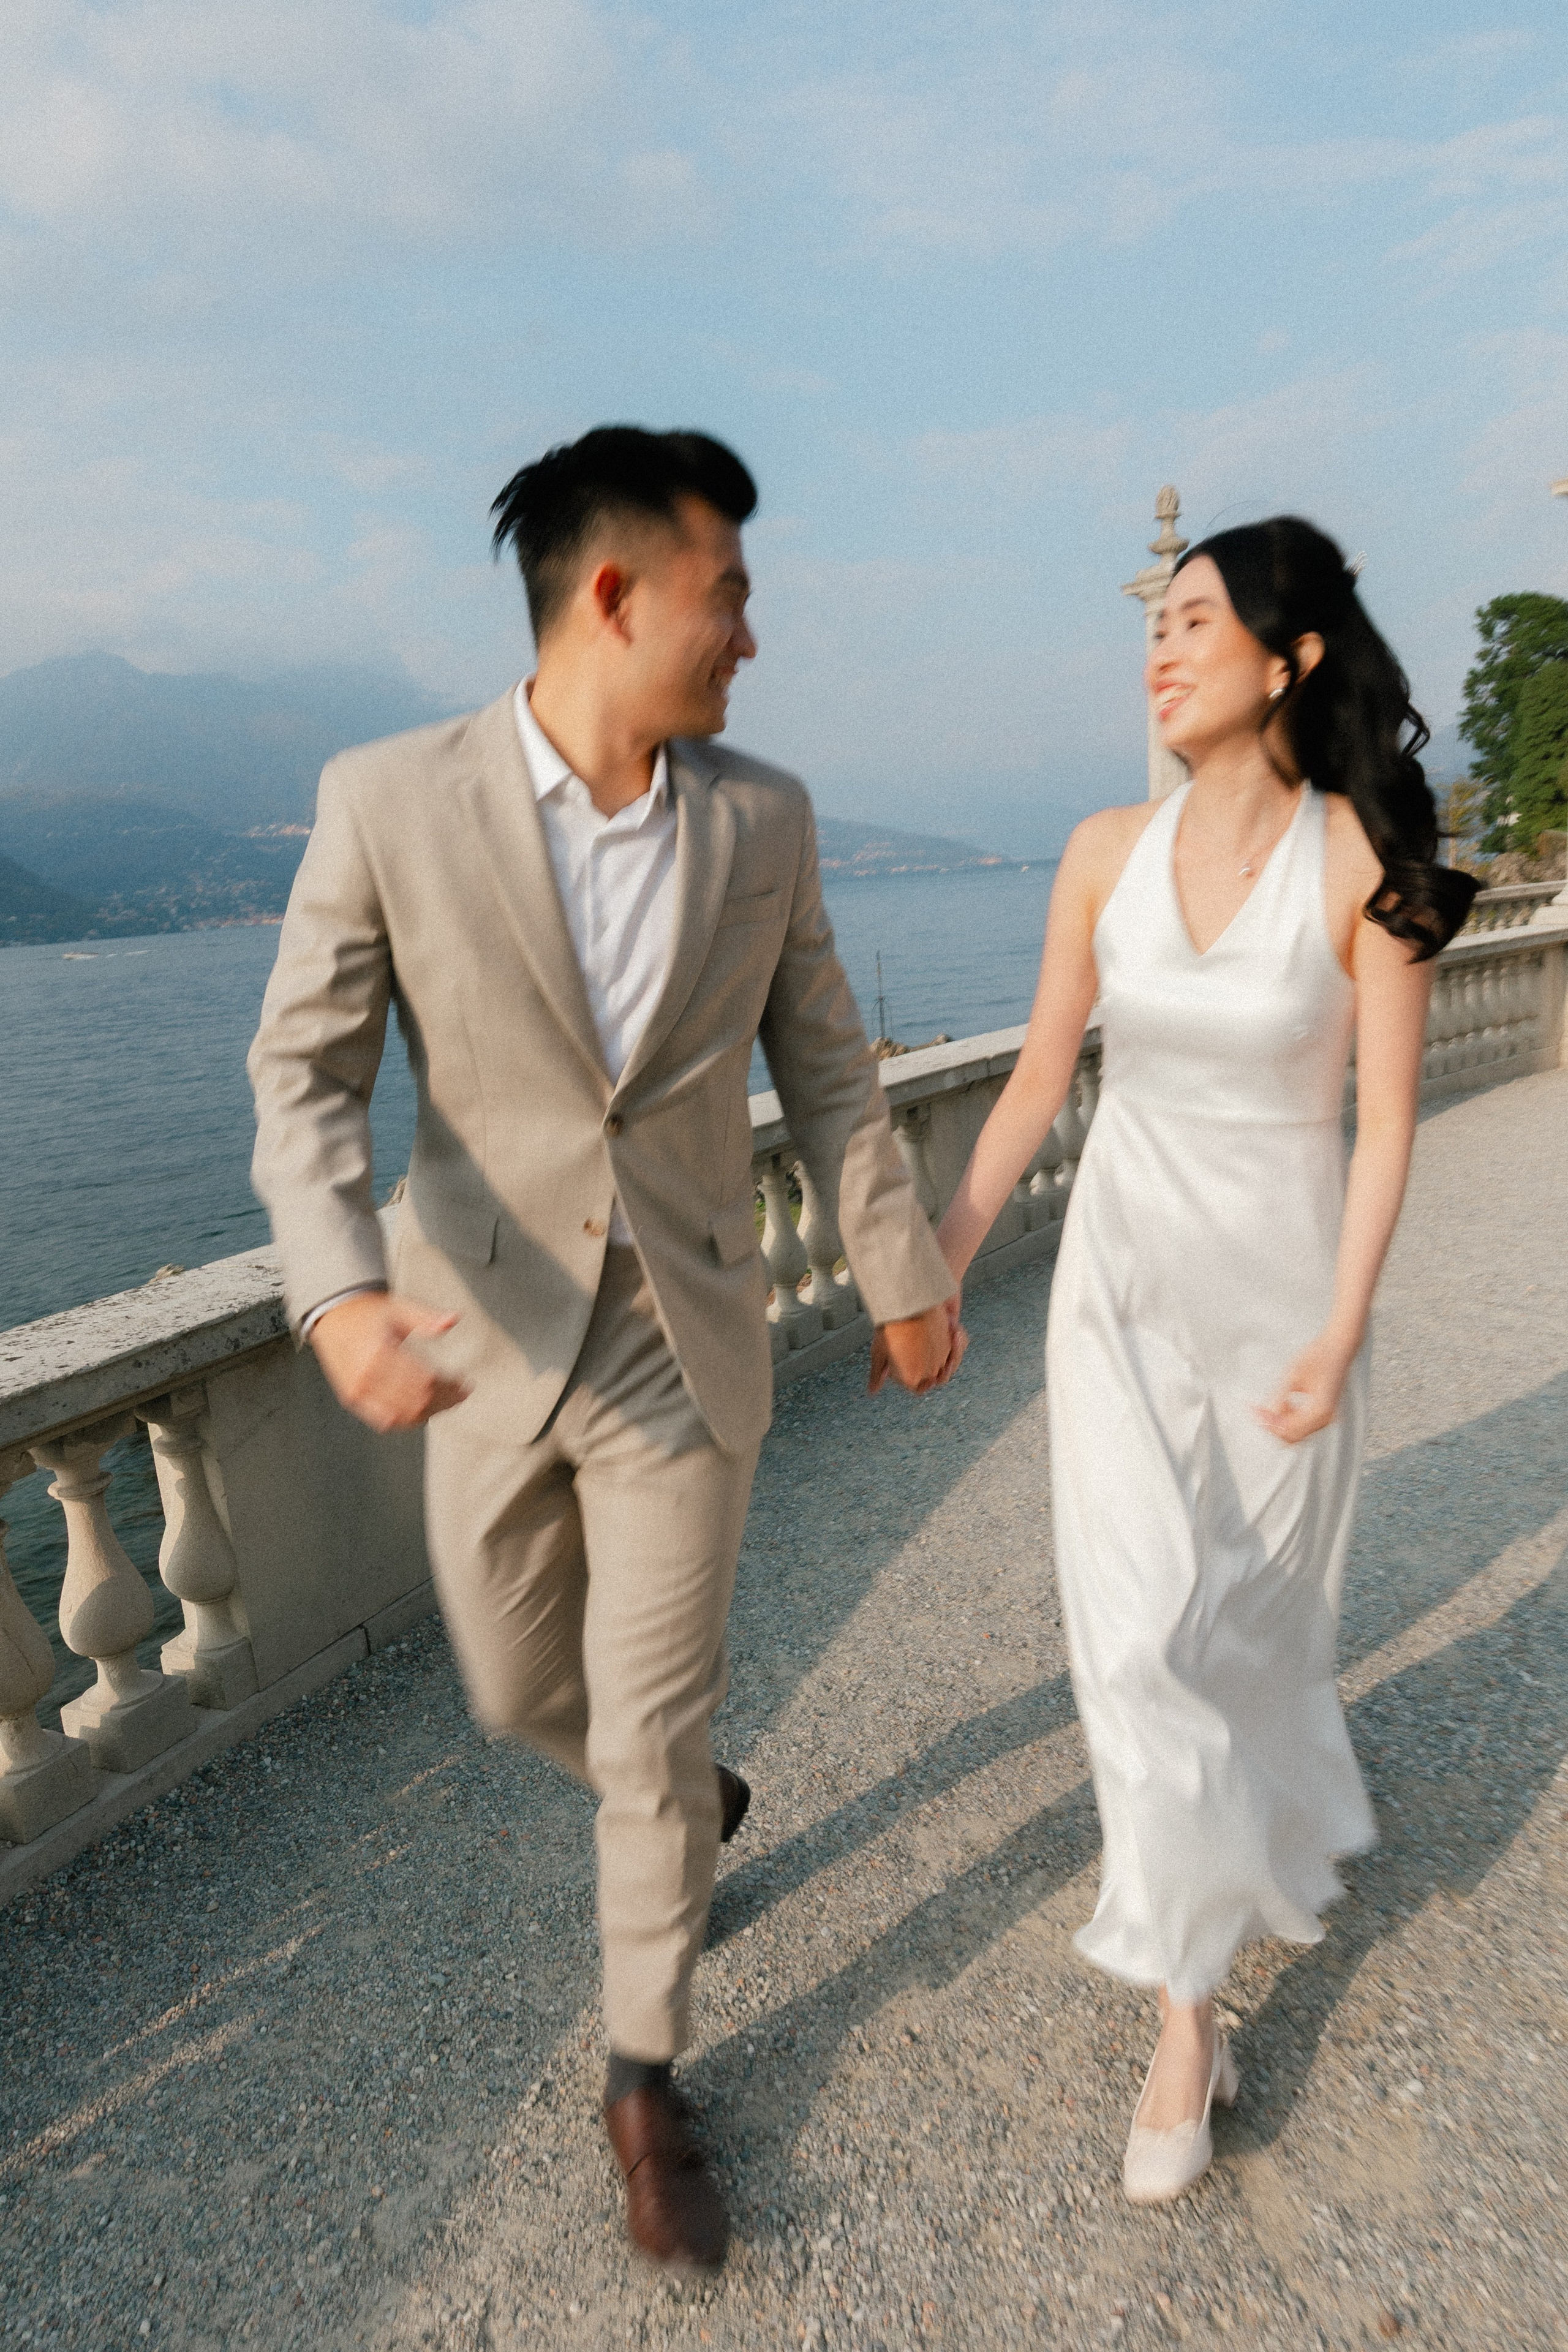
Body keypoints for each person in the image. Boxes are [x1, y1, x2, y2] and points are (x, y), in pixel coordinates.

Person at [247, 426, 963, 2271]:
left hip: (687, 1336)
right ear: (618, 593)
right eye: (732, 596)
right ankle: (695, 1808)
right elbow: (303, 1080)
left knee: (646, 1725)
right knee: (513, 1692)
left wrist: (900, 1269)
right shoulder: (387, 798)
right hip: (481, 1335)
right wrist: (337, 1295)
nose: (753, 638)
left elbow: (831, 1069)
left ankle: (645, 2079)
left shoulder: (763, 818)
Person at [935, 516, 1475, 2205]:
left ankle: (1242, 1870)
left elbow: (1386, 1127)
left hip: (1282, 1311)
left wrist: (1343, 1326)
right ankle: (1188, 2017)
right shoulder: (1104, 851)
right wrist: (932, 1268)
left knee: (1245, 1640)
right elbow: (1037, 1083)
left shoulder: (1356, 862)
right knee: (1138, 1638)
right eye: (1155, 625)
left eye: (1192, 622)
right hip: (1119, 1296)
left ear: (1288, 658)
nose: (1159, 651)